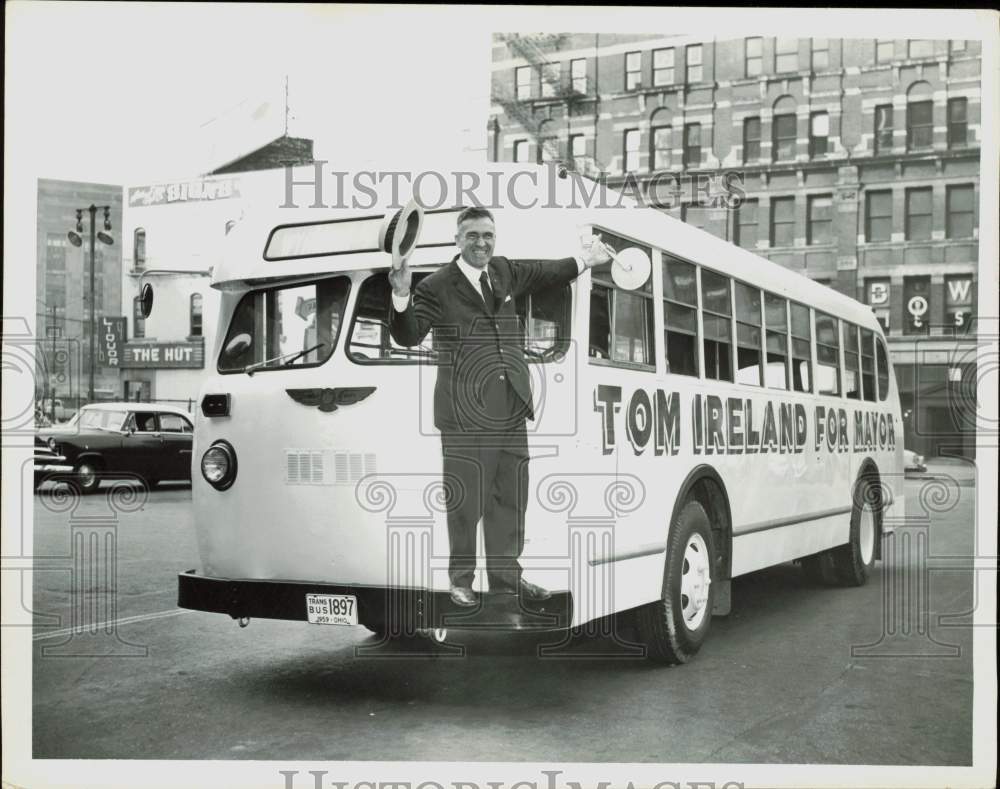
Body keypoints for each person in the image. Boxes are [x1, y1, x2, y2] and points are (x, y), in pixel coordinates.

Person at [389, 206, 611, 607]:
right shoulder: (436, 286)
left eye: (488, 235)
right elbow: (407, 335)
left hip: (510, 406)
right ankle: (461, 581)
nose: (481, 243)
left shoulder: (503, 272)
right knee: (466, 499)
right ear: (458, 240)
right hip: (465, 413)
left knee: (510, 498)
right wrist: (401, 294)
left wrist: (585, 260)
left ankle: (507, 579)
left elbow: (547, 272)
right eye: (473, 235)